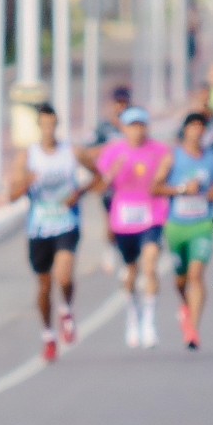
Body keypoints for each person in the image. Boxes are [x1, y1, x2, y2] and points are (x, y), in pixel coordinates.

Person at [9, 104, 86, 361]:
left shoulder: (70, 152)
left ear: (57, 125)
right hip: (39, 227)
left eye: (53, 124)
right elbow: (12, 195)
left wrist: (78, 193)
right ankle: (48, 334)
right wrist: (26, 182)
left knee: (64, 276)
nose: (49, 129)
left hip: (66, 223)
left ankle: (66, 310)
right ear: (39, 127)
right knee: (44, 286)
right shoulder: (28, 156)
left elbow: (99, 176)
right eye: (45, 125)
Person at [92, 107, 170, 348]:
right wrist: (113, 171)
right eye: (131, 125)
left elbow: (168, 171)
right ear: (123, 128)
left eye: (140, 125)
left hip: (152, 215)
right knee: (131, 271)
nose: (136, 130)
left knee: (150, 264)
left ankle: (149, 321)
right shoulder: (113, 152)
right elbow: (100, 184)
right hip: (124, 219)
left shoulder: (159, 151)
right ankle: (133, 316)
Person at [153, 113, 213, 350]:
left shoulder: (212, 158)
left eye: (201, 127)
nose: (197, 131)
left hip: (202, 225)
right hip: (177, 226)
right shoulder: (173, 157)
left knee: (196, 275)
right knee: (181, 279)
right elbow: (155, 187)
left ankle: (192, 329)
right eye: (193, 126)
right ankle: (185, 306)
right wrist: (183, 189)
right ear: (185, 131)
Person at [81, 86, 133, 273]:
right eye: (118, 103)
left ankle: (128, 259)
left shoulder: (134, 126)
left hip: (132, 184)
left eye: (124, 102)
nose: (121, 106)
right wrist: (110, 149)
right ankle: (111, 249)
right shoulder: (103, 128)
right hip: (111, 184)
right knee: (112, 221)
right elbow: (87, 152)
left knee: (129, 223)